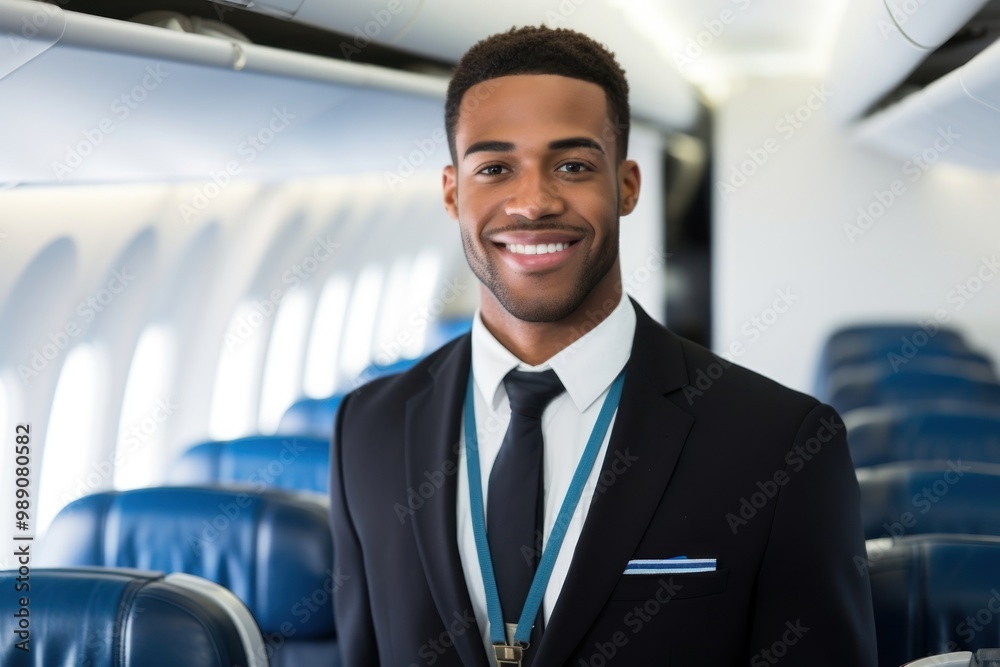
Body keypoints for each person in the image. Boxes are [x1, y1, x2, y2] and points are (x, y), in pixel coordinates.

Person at [330, 25, 877, 667]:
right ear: (453, 192)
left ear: (626, 185)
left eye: (572, 165)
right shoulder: (367, 429)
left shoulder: (781, 445)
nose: (532, 203)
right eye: (495, 168)